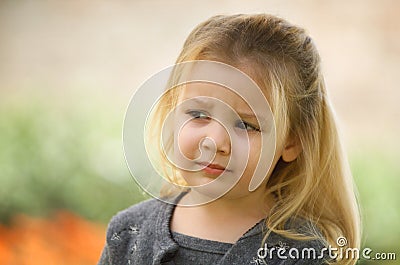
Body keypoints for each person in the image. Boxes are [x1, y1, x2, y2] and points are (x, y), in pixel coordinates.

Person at [98, 14, 361, 265]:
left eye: (246, 125)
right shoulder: (128, 233)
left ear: (291, 143)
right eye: (199, 114)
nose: (214, 142)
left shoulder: (304, 254)